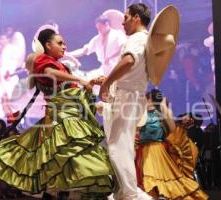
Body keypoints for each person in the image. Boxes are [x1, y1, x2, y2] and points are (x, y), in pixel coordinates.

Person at [0, 29, 113, 199]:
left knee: (74, 164)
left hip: (71, 119)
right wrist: (80, 80)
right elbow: (50, 74)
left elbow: (70, 91)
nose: (64, 46)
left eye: (64, 43)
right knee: (72, 162)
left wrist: (89, 85)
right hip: (61, 121)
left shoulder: (61, 65)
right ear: (47, 45)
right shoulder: (43, 61)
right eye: (60, 43)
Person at [99, 3, 153, 200]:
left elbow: (129, 60)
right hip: (131, 95)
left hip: (128, 96)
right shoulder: (145, 39)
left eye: (126, 17)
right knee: (123, 146)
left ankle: (130, 194)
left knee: (116, 147)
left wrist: (106, 83)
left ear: (137, 17)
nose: (122, 22)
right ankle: (126, 192)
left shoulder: (138, 38)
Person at [137, 89, 208, 199]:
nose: (150, 101)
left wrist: (164, 108)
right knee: (145, 180)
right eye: (148, 99)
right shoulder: (141, 113)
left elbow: (172, 129)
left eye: (152, 99)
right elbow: (135, 128)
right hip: (143, 152)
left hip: (158, 151)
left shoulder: (162, 113)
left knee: (164, 181)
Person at [68, 13, 126, 78]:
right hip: (104, 69)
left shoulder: (118, 34)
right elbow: (84, 51)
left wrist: (110, 57)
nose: (99, 30)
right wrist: (68, 54)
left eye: (100, 27)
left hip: (117, 68)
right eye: (97, 28)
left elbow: (123, 48)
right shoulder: (97, 39)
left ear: (107, 24)